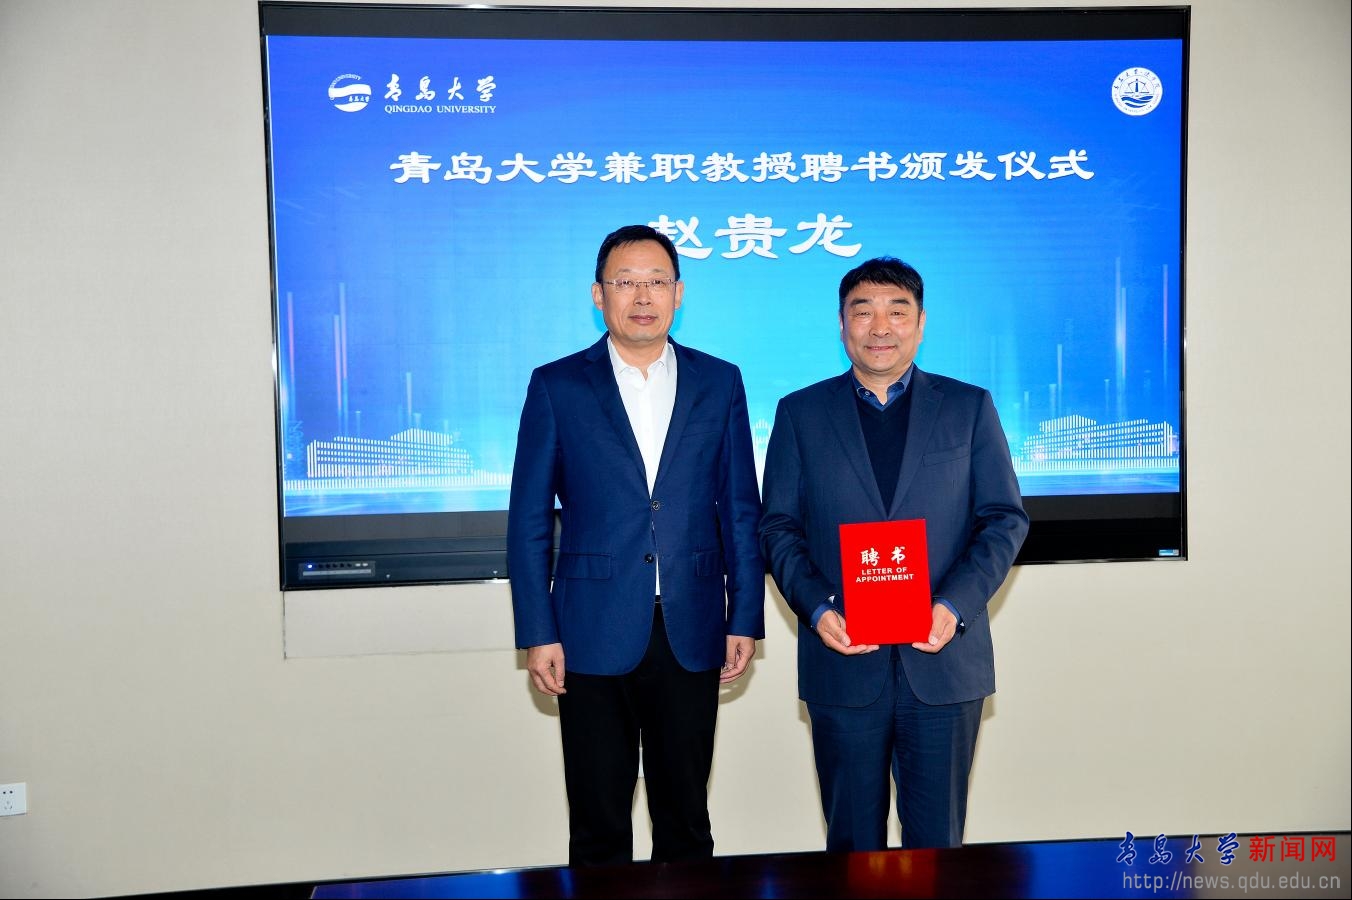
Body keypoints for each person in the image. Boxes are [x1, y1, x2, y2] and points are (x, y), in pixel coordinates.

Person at [508, 224, 765, 866]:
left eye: (656, 281)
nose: (642, 296)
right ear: (598, 294)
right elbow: (529, 520)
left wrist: (744, 616)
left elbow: (740, 508)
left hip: (692, 625)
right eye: (625, 282)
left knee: (685, 819)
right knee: (598, 823)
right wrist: (538, 631)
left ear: (679, 292)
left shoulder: (719, 382)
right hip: (589, 630)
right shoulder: (557, 386)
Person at [759, 256, 1028, 851]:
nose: (880, 327)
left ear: (921, 323)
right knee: (852, 847)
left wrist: (953, 605)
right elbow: (778, 527)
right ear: (842, 324)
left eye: (897, 311)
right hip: (843, 663)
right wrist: (818, 610)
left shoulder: (968, 407)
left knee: (938, 848)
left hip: (942, 662)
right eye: (864, 312)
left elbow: (1003, 519)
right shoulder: (801, 413)